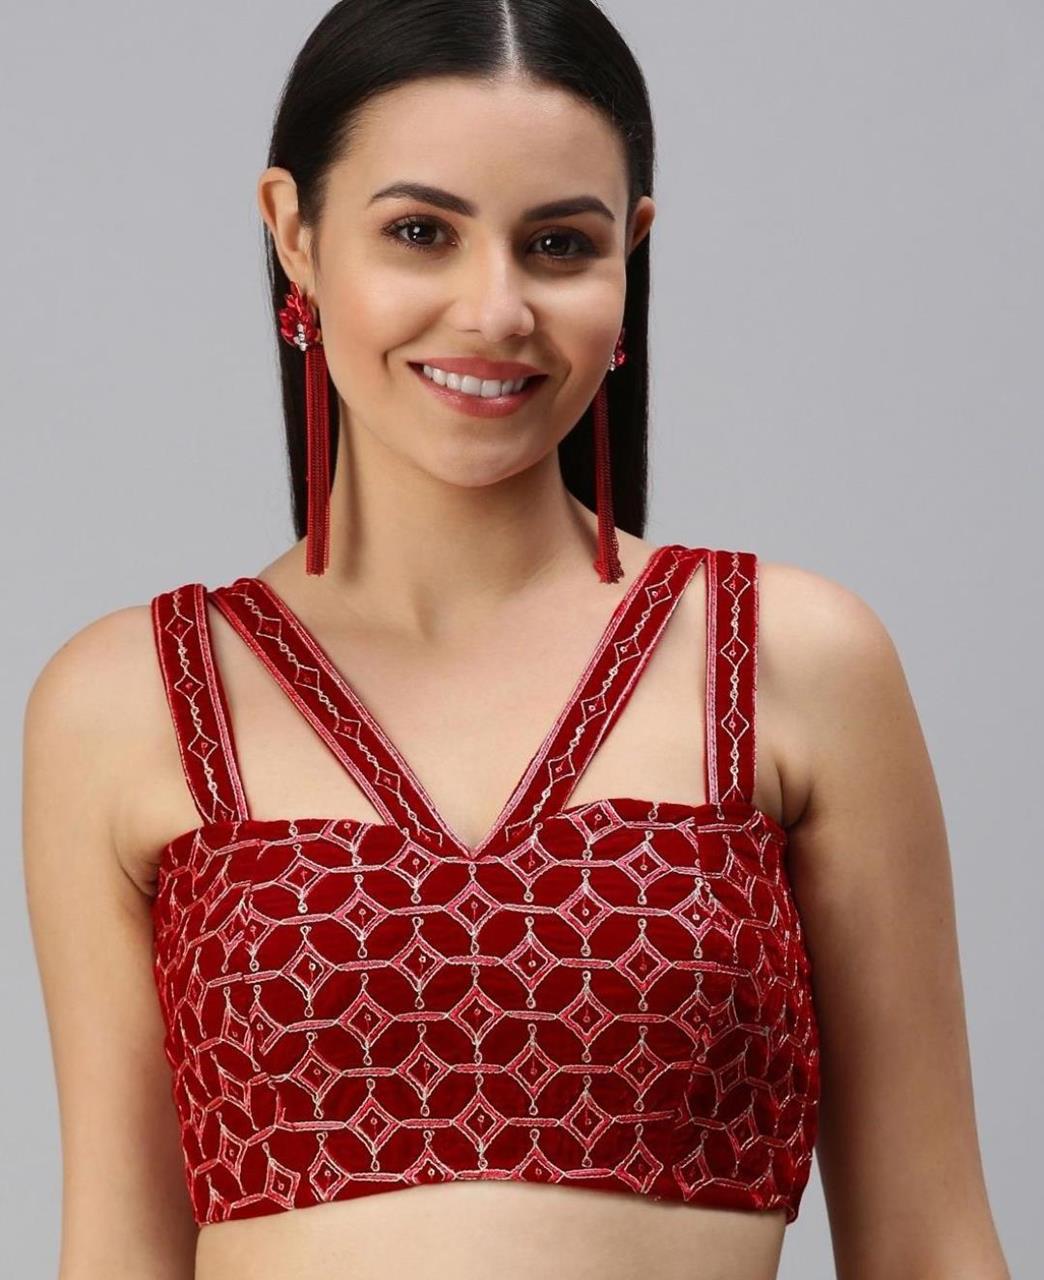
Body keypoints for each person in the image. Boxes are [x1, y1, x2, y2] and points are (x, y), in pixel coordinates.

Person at [21, 2, 1010, 1279]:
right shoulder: (130, 700)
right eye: (420, 231)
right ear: (293, 234)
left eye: (557, 245)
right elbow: (117, 1254)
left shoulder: (790, 658)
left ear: (629, 255)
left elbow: (931, 1243)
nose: (495, 311)